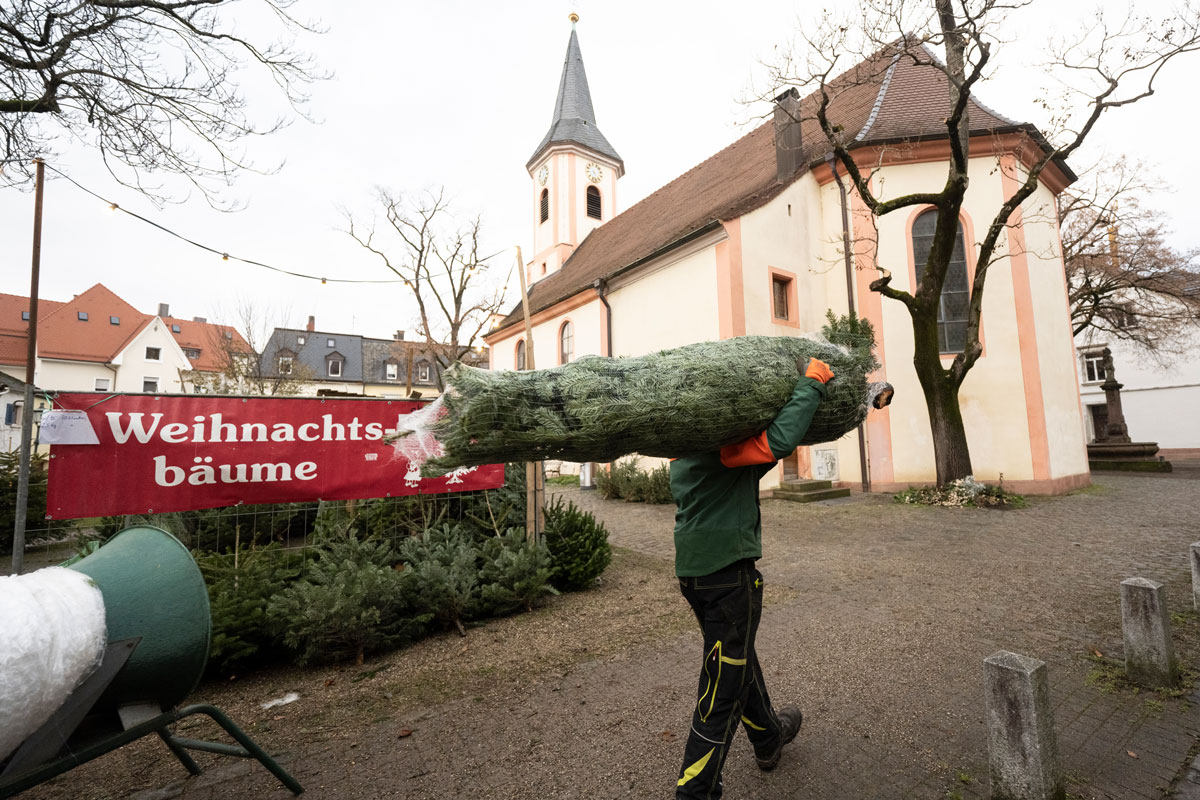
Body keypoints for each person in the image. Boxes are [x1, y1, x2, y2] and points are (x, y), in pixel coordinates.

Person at [671, 356, 834, 800]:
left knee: (735, 658)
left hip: (694, 576)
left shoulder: (683, 455)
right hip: (728, 577)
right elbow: (778, 440)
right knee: (722, 688)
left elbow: (756, 459)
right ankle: (696, 791)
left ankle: (768, 738)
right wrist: (812, 383)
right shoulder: (726, 451)